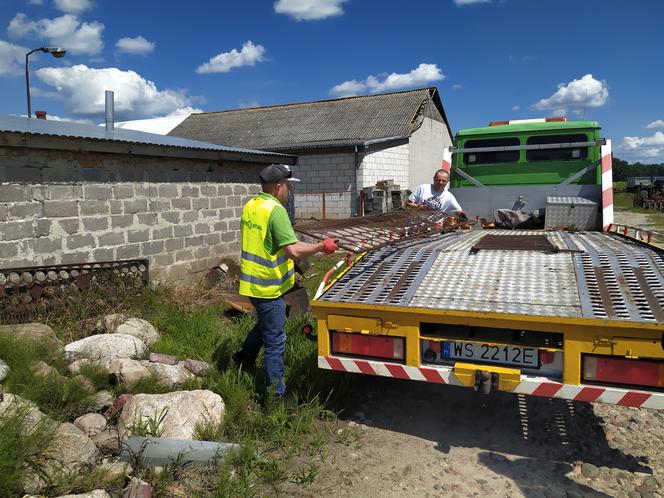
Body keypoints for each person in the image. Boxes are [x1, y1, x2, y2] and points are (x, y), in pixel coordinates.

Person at [234, 163, 338, 399]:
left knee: (264, 325)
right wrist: (322, 246)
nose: (289, 191)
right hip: (269, 286)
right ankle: (276, 396)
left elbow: (272, 243)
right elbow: (292, 250)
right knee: (275, 340)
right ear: (278, 186)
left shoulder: (252, 205)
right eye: (288, 186)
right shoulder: (275, 210)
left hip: (251, 283)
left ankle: (243, 359)